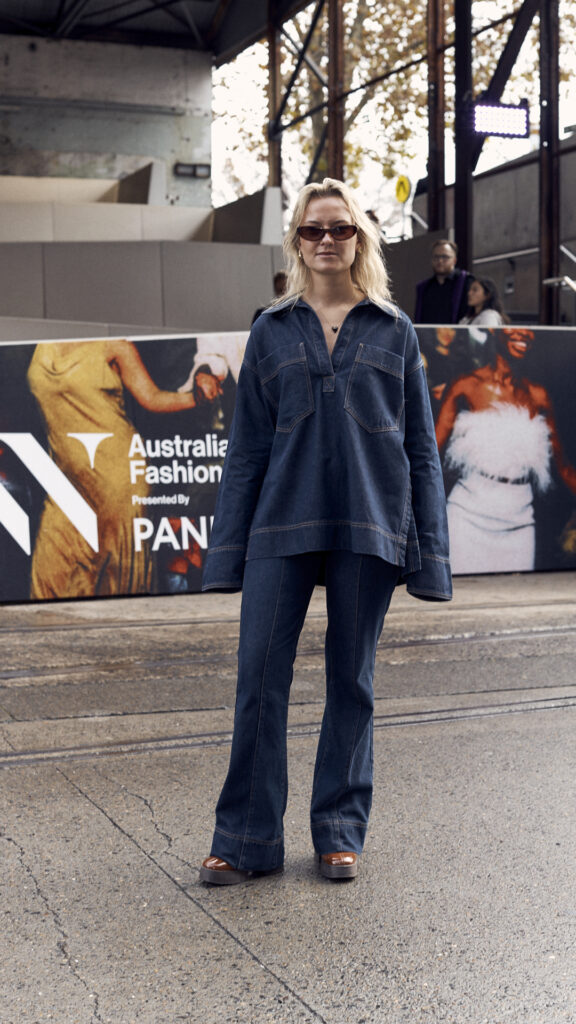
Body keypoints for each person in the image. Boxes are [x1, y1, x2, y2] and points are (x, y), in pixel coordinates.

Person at [199, 177, 452, 886]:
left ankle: (339, 830)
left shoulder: (393, 328)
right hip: (282, 521)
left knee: (352, 680)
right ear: (297, 241)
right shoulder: (271, 329)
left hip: (369, 523)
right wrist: (229, 553)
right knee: (258, 680)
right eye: (314, 230)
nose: (327, 241)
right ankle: (246, 838)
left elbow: (421, 451)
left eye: (340, 228)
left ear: (359, 238)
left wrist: (429, 555)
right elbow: (247, 449)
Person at [27, 338, 203, 599]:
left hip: (116, 479)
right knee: (47, 581)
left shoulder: (115, 346)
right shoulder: (42, 342)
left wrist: (198, 397)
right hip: (66, 484)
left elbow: (152, 398)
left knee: (116, 586)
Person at [435, 327, 576, 574]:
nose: (523, 334)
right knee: (459, 607)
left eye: (528, 330)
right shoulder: (467, 385)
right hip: (467, 517)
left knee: (514, 607)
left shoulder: (538, 395)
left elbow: (563, 467)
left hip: (520, 522)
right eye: (514, 327)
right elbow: (430, 453)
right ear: (493, 330)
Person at [414, 239, 472, 324]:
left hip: (459, 336)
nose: (440, 261)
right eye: (436, 257)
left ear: (454, 260)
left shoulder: (466, 281)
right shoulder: (424, 288)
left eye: (445, 257)